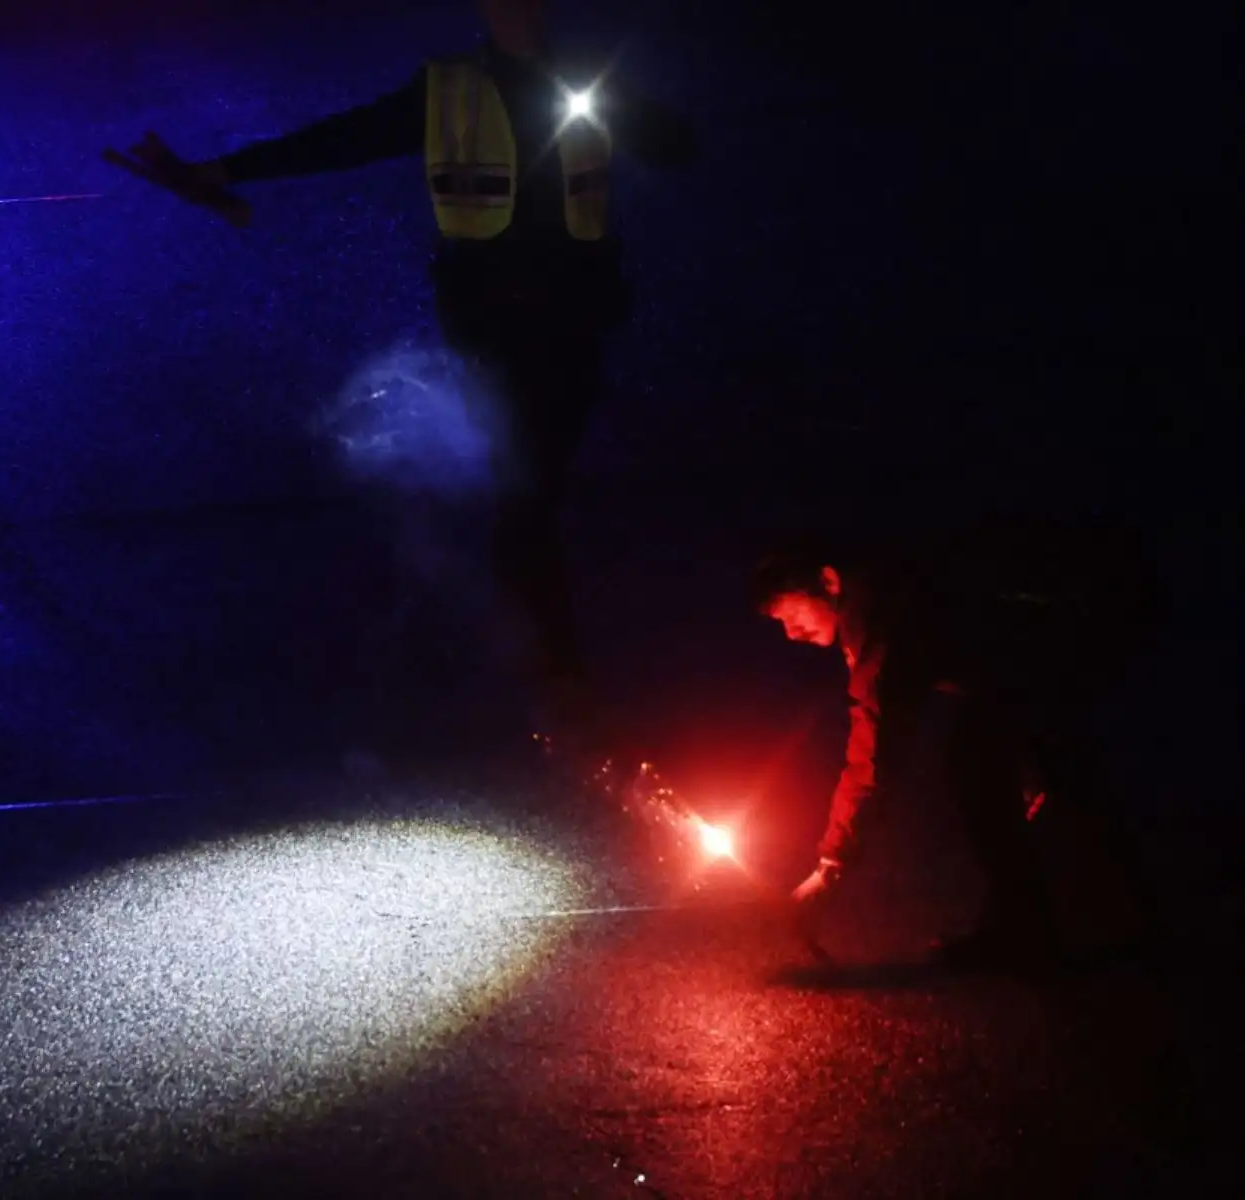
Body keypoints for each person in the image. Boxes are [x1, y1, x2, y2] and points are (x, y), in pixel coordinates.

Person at [104, 0, 697, 754]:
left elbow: (679, 144)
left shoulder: (585, 81)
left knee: (529, 492)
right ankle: (548, 680)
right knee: (522, 495)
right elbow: (341, 139)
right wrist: (220, 170)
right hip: (496, 323)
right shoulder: (448, 90)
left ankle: (531, 672)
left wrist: (611, 103)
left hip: (569, 321)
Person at [755, 518, 1157, 968]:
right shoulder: (881, 598)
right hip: (1039, 656)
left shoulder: (880, 617)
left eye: (792, 615)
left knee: (992, 766)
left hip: (1068, 636)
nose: (791, 633)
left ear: (829, 582)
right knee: (983, 762)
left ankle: (1089, 929)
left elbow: (873, 750)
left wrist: (830, 868)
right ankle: (1044, 925)